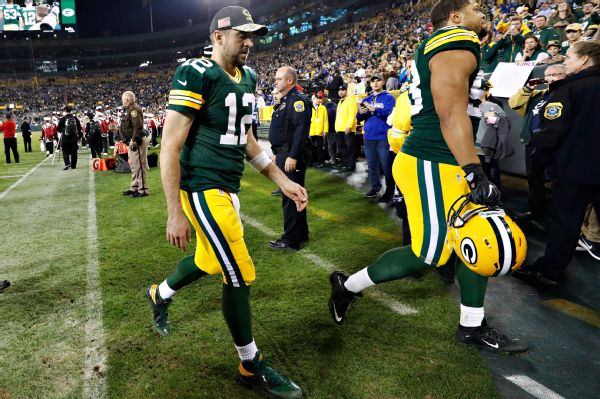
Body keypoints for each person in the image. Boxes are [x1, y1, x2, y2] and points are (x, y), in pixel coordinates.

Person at [328, 0, 528, 354]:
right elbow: (449, 110)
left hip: (441, 159)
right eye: (477, 8)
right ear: (455, 16)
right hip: (433, 161)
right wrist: (473, 169)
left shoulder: (445, 44)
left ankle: (472, 325)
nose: (484, 14)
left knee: (475, 239)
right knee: (429, 254)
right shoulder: (456, 40)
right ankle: (349, 285)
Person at [145, 6, 304, 398]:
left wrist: (281, 179)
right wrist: (173, 211)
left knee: (207, 261)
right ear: (218, 36)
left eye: (253, 36)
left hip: (227, 189)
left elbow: (247, 140)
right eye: (242, 35)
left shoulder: (247, 76)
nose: (250, 42)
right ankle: (250, 364)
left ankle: (160, 293)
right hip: (201, 187)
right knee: (239, 272)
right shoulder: (196, 72)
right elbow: (170, 145)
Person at [515, 41, 600, 286]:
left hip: (574, 170)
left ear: (585, 59)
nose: (565, 61)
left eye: (569, 57)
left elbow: (551, 133)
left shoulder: (569, 89)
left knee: (565, 222)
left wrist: (538, 159)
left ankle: (549, 272)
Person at [508, 64, 566, 226]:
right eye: (548, 75)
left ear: (566, 75)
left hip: (556, 144)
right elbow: (514, 103)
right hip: (533, 143)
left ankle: (560, 217)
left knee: (558, 181)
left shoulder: (567, 92)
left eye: (556, 74)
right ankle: (536, 212)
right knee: (534, 179)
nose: (551, 78)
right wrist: (527, 87)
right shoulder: (539, 94)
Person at [268, 66, 311, 251]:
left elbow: (301, 130)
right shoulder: (286, 100)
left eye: (278, 79)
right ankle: (301, 233)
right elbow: (284, 131)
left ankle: (291, 240)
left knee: (290, 195)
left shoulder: (298, 101)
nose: (275, 82)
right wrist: (277, 153)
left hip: (291, 155)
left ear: (290, 81)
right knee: (296, 194)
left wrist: (292, 155)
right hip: (283, 154)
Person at [357, 73, 395, 201]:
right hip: (369, 137)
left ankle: (390, 191)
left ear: (383, 82)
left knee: (386, 166)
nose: (375, 83)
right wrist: (361, 113)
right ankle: (375, 188)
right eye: (372, 81)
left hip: (383, 137)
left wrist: (373, 110)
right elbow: (359, 117)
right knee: (372, 166)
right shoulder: (366, 99)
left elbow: (389, 115)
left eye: (378, 80)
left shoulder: (389, 98)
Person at [120, 91, 149, 198]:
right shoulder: (129, 109)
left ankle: (143, 189)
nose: (122, 101)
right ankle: (135, 187)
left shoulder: (133, 109)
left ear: (127, 100)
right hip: (132, 141)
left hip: (137, 140)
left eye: (123, 99)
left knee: (140, 166)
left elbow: (138, 126)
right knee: (134, 166)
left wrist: (133, 140)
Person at [335, 84, 359, 171]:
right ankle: (344, 163)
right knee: (342, 147)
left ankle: (351, 165)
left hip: (347, 129)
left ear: (346, 91)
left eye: (343, 90)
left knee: (350, 148)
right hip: (340, 128)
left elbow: (352, 114)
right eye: (339, 91)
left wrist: (349, 126)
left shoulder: (351, 101)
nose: (341, 92)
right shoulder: (340, 102)